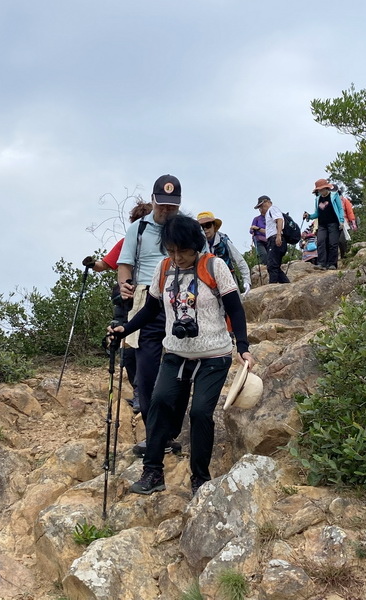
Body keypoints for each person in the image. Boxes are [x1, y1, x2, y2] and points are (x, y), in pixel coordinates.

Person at [108, 214, 254, 496]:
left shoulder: (214, 266)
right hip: (176, 352)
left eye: (183, 251)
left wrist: (243, 346)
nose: (177, 257)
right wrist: (125, 329)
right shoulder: (163, 269)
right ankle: (152, 471)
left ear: (195, 246)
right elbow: (150, 309)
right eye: (171, 250)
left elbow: (235, 308)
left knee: (200, 413)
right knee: (159, 403)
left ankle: (200, 478)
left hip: (214, 356)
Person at [117, 174, 182, 456]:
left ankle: (169, 433)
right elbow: (124, 264)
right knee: (145, 372)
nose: (166, 211)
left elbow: (205, 261)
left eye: (172, 206)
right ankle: (155, 435)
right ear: (153, 201)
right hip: (145, 298)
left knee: (179, 368)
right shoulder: (138, 229)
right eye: (162, 205)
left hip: (179, 298)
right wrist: (124, 285)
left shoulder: (184, 227)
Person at [83, 199, 152, 413]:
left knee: (144, 346)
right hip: (126, 300)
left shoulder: (161, 243)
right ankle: (139, 392)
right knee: (127, 349)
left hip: (148, 298)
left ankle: (146, 393)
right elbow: (104, 264)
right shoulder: (126, 242)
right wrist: (92, 263)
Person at [196, 211, 251, 296]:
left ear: (214, 226)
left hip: (228, 281)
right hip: (208, 284)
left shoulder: (224, 241)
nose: (205, 229)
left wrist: (247, 281)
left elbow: (240, 261)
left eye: (208, 225)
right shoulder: (197, 245)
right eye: (202, 227)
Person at [303, 179, 344, 270]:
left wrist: (341, 220)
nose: (321, 191)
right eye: (319, 190)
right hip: (322, 225)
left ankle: (332, 264)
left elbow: (340, 209)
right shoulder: (318, 199)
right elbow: (317, 213)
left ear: (326, 188)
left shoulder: (334, 195)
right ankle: (322, 263)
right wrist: (309, 216)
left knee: (333, 243)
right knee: (321, 242)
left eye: (322, 189)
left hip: (333, 223)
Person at [254, 195, 290, 284]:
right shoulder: (269, 214)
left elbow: (280, 220)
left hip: (275, 239)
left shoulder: (272, 209)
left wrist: (278, 236)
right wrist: (258, 229)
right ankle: (286, 284)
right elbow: (270, 230)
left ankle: (272, 286)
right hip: (272, 239)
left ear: (267, 202)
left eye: (261, 206)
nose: (261, 209)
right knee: (274, 266)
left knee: (272, 266)